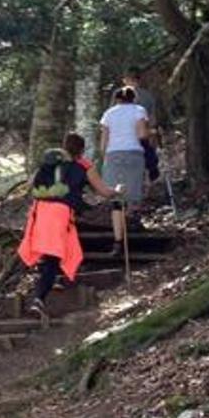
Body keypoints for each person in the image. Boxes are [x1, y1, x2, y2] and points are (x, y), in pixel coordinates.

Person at [17, 132, 119, 316]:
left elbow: (32, 184)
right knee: (53, 255)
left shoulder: (51, 161)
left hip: (40, 209)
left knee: (46, 249)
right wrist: (117, 190)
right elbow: (104, 192)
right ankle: (39, 298)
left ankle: (53, 279)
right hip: (60, 212)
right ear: (81, 149)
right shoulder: (84, 165)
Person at [100, 86, 149, 249]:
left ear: (117, 99)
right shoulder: (139, 110)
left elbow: (103, 141)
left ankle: (118, 239)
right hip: (134, 153)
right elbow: (142, 135)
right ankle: (132, 227)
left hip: (113, 154)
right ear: (133, 98)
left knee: (116, 199)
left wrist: (104, 158)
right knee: (133, 193)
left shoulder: (109, 113)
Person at [121, 67, 161, 183]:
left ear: (128, 79)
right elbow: (152, 119)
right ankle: (145, 186)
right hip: (143, 136)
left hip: (125, 137)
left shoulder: (118, 95)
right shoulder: (148, 96)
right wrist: (152, 134)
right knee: (145, 163)